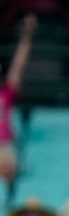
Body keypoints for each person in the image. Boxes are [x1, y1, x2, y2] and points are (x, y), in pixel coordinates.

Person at [0, 14, 36, 184]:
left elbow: (18, 65)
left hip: (3, 145)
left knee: (7, 168)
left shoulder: (6, 92)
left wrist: (27, 36)